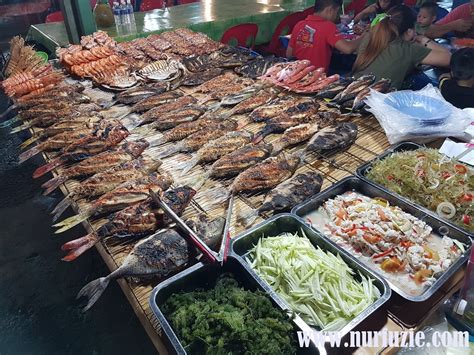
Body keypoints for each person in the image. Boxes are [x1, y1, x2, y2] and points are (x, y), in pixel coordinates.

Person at [352, 5, 451, 89]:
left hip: (353, 90)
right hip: (376, 104)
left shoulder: (370, 37)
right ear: (409, 31)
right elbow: (449, 58)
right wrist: (423, 39)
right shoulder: (409, 49)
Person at [286, 0, 366, 72]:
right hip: (317, 80)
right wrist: (365, 35)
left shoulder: (299, 24)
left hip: (296, 75)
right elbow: (348, 49)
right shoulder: (328, 26)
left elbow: (289, 54)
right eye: (337, 12)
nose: (337, 17)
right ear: (330, 10)